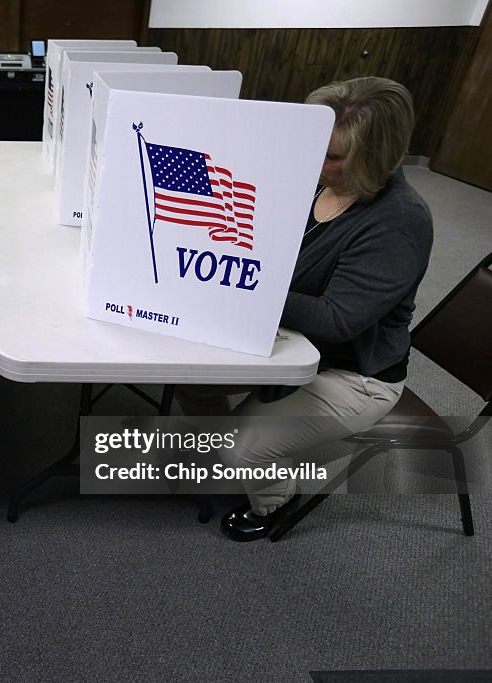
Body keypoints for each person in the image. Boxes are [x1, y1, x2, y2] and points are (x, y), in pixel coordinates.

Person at [176, 76, 433, 542]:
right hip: (292, 338)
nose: (315, 162)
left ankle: (276, 499)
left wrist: (243, 285)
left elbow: (338, 320)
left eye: (332, 157)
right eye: (313, 143)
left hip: (355, 374)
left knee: (240, 450)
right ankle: (240, 444)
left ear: (373, 157)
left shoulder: (398, 222)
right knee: (184, 370)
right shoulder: (314, 182)